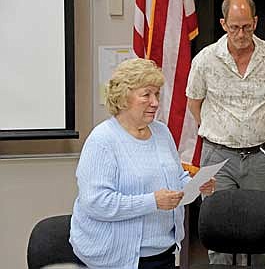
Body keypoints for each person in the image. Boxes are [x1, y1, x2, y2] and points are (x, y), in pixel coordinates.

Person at [70, 58, 215, 269]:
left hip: (163, 253)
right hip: (116, 258)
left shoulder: (161, 132)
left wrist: (195, 183)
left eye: (156, 94)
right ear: (123, 97)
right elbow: (96, 203)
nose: (155, 102)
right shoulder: (102, 140)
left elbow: (175, 177)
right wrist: (152, 202)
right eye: (146, 94)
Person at [185, 0, 265, 265]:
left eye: (247, 26)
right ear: (223, 24)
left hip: (259, 157)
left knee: (260, 230)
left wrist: (257, 126)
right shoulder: (206, 59)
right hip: (217, 156)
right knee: (218, 232)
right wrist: (220, 129)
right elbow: (193, 103)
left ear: (255, 22)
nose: (241, 33)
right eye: (234, 27)